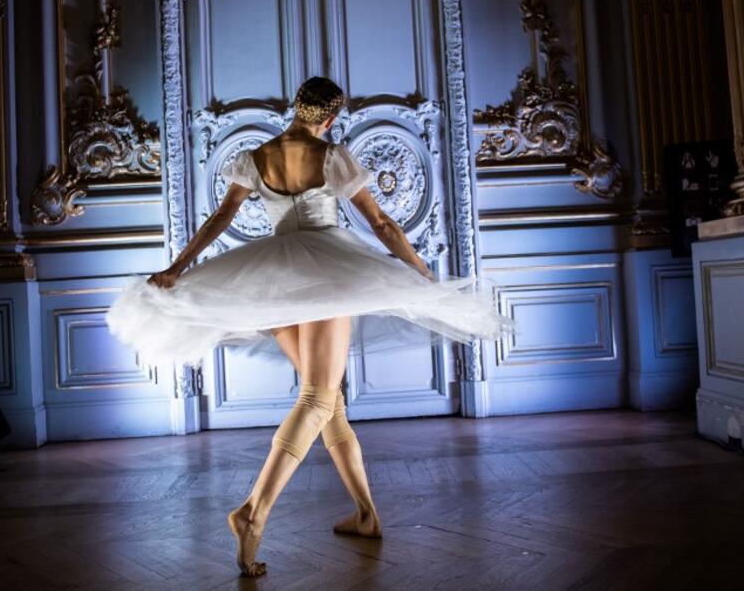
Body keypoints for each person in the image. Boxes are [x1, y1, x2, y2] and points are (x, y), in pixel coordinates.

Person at [105, 76, 514, 577]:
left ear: (296, 110)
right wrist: (420, 271)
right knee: (319, 398)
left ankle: (366, 514)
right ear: (330, 118)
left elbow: (219, 219)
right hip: (325, 272)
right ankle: (253, 512)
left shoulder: (256, 157)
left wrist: (179, 268)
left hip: (273, 279)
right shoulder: (333, 155)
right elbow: (381, 223)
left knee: (330, 399)